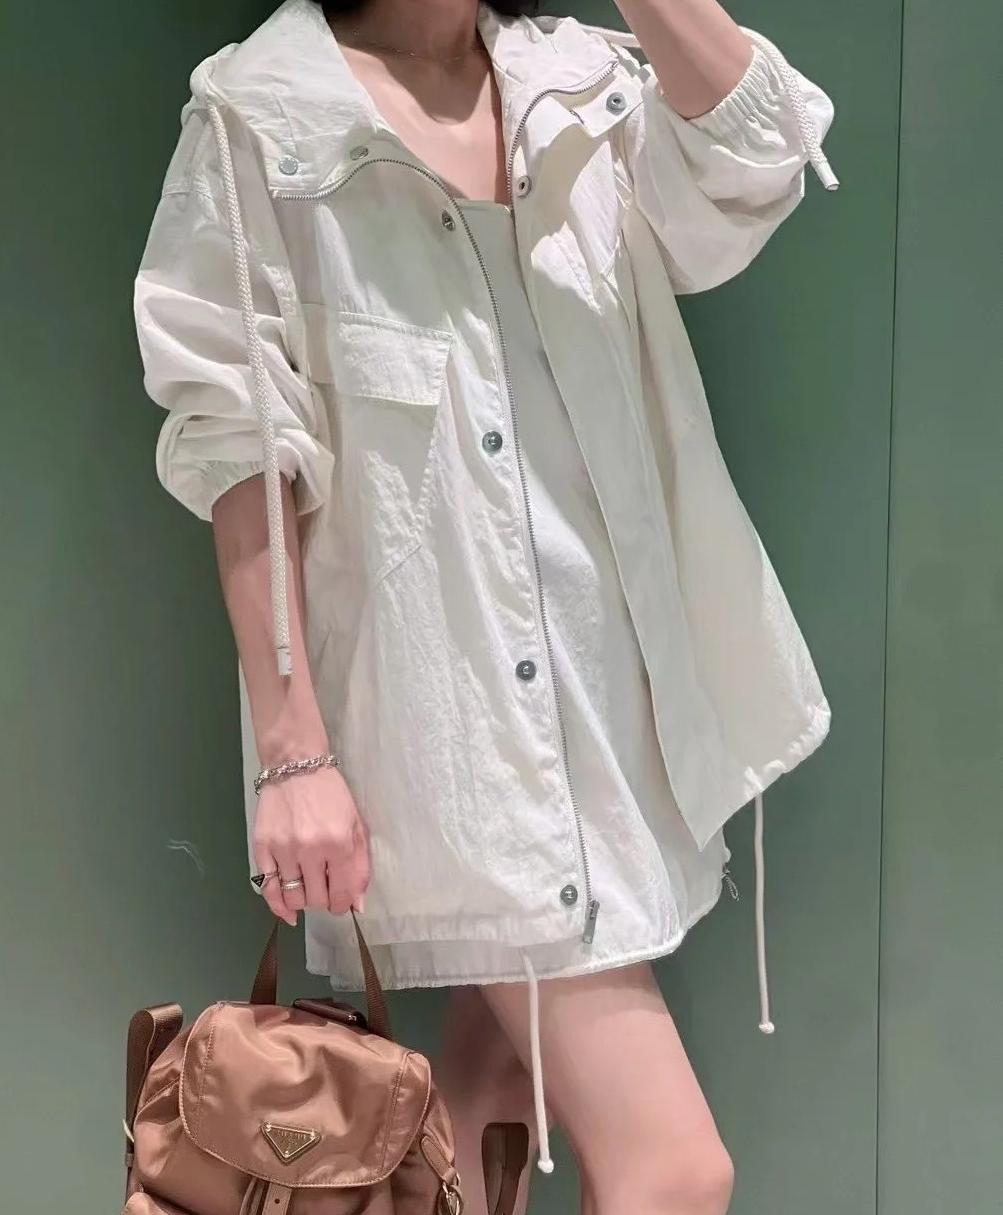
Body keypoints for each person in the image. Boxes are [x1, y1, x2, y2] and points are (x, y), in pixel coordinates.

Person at [135, 0, 835, 1211]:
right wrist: (293, 754)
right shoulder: (262, 117)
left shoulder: (579, 83)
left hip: (615, 724)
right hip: (455, 750)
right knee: (676, 1171)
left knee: (479, 1122)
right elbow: (239, 450)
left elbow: (754, 161)